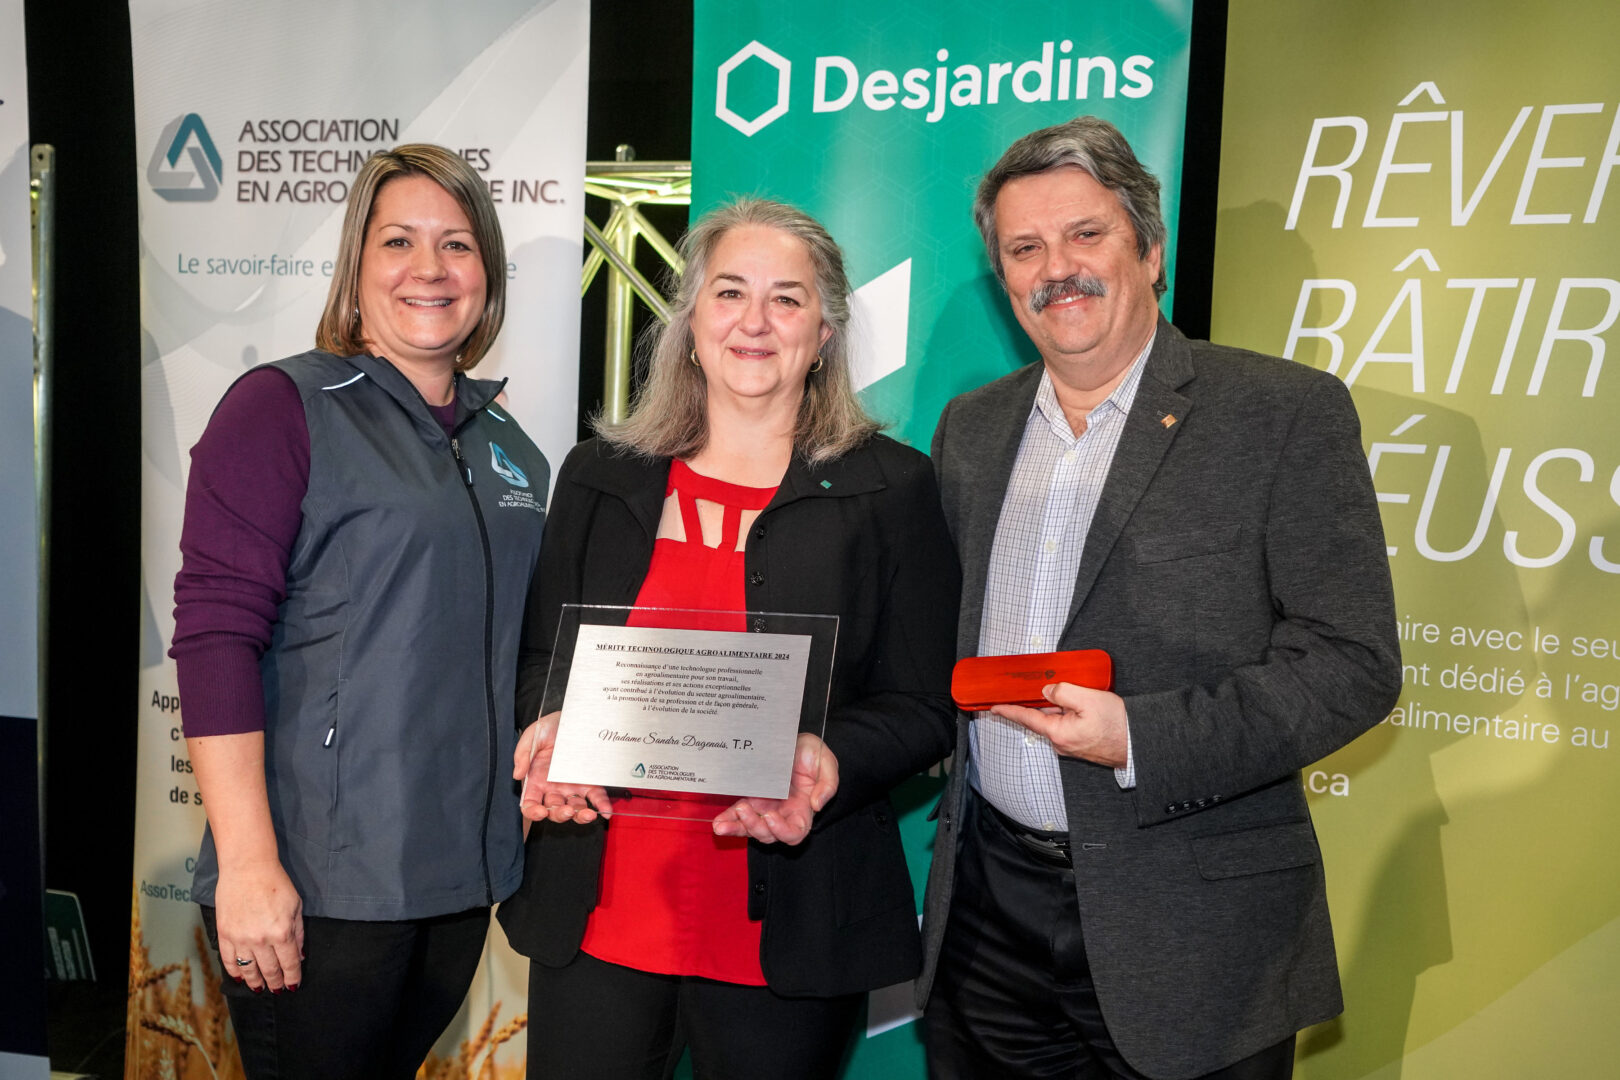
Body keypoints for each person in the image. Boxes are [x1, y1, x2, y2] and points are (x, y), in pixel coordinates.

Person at [917, 116, 1402, 1079]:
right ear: (1004, 276)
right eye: (1026, 248)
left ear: (1148, 245)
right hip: (987, 919)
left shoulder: (1282, 414)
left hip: (1196, 931)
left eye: (1085, 234)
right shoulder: (971, 430)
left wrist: (1140, 737)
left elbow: (1354, 666)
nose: (1058, 267)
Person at [496, 197, 959, 1079]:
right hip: (598, 918)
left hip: (788, 932)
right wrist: (547, 731)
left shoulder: (892, 490)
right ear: (691, 319)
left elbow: (925, 705)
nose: (754, 322)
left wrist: (828, 755)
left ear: (824, 331)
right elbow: (536, 663)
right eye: (729, 293)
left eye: (786, 299)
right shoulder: (601, 476)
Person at [170, 144, 549, 1079]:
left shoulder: (512, 448)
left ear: (487, 276)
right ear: (356, 266)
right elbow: (217, 636)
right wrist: (252, 866)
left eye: (457, 244)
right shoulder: (281, 407)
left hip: (459, 880)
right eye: (399, 241)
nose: (430, 268)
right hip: (319, 885)